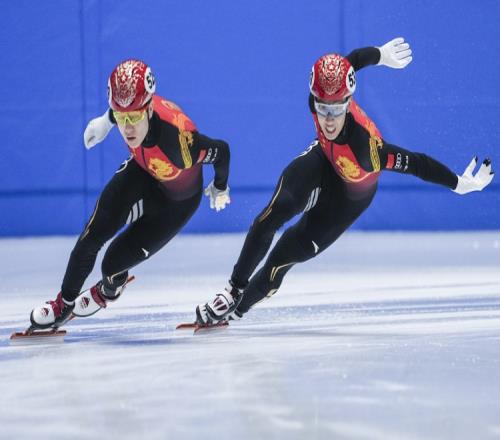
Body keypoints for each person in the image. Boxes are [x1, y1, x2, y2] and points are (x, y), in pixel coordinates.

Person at [194, 37, 495, 325]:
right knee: (272, 215)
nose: (328, 119)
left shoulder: (367, 150)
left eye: (337, 109)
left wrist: (458, 183)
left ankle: (238, 311)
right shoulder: (325, 91)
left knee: (283, 256)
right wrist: (379, 54)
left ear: (349, 102)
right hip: (324, 162)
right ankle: (233, 291)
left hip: (347, 200)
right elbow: (352, 61)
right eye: (322, 107)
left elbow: (415, 163)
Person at [30, 59, 231, 330]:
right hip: (142, 174)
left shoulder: (181, 144)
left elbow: (223, 150)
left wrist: (220, 185)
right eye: (121, 117)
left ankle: (109, 290)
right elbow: (124, 109)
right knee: (93, 233)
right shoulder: (129, 109)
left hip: (176, 204)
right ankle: (62, 305)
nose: (127, 128)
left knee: (112, 264)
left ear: (148, 109)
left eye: (134, 118)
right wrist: (106, 120)